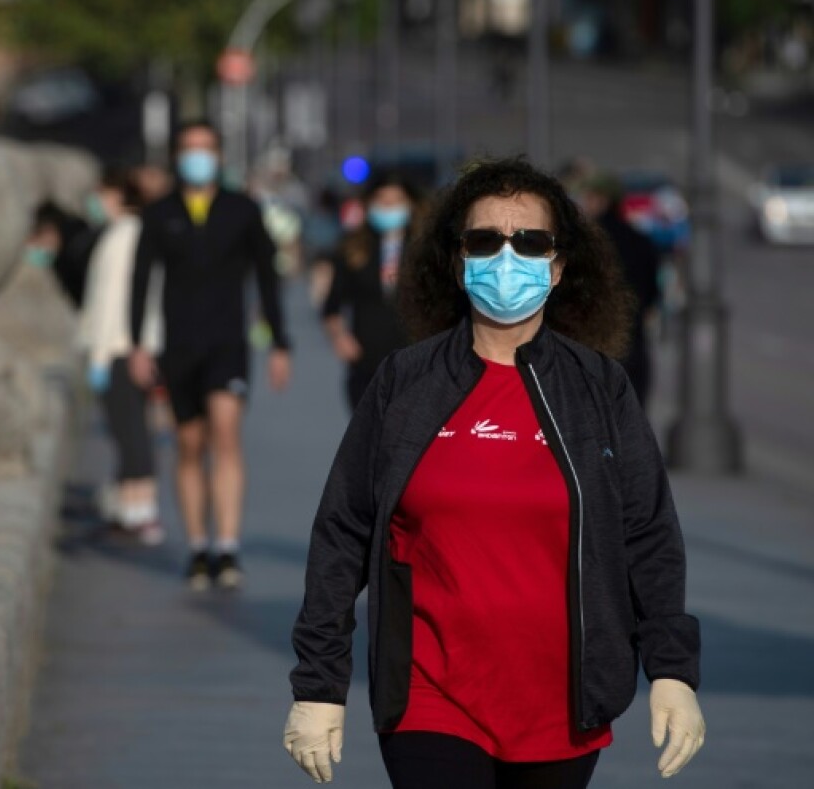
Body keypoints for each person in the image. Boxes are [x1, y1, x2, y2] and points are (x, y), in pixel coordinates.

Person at [283, 158, 705, 788]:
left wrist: (672, 671)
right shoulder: (407, 381)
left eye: (531, 242)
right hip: (430, 697)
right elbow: (343, 529)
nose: (508, 257)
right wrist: (319, 684)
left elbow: (647, 534)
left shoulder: (598, 389)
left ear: (558, 267)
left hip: (562, 705)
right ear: (457, 260)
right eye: (485, 240)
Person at [128, 120, 292, 591]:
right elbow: (141, 281)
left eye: (205, 149)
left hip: (228, 345)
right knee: (189, 444)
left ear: (219, 156)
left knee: (226, 434)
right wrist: (137, 343)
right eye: (188, 149)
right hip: (178, 347)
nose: (196, 157)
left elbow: (267, 277)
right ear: (177, 156)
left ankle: (227, 546)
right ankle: (198, 546)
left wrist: (280, 342)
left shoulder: (242, 209)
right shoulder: (159, 214)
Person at [76, 168, 164, 544]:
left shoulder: (123, 236)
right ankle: (129, 508)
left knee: (131, 432)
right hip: (128, 348)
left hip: (117, 349)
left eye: (101, 193)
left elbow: (113, 304)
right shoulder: (128, 233)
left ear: (116, 193)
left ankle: (141, 512)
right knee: (129, 430)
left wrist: (98, 357)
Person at [322, 171, 422, 411]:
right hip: (366, 362)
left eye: (396, 201)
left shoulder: (426, 249)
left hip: (415, 361)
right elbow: (332, 305)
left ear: (410, 205)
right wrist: (340, 337)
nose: (389, 207)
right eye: (382, 201)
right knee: (369, 441)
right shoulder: (354, 248)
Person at [577, 171, 661, 407]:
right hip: (633, 343)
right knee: (632, 420)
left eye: (589, 198)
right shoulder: (641, 240)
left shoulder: (586, 242)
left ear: (601, 200)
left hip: (593, 345)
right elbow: (654, 292)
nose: (585, 204)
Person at [26, 200, 100, 308]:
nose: (35, 249)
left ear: (48, 230)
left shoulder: (81, 248)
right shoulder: (62, 259)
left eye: (36, 242)